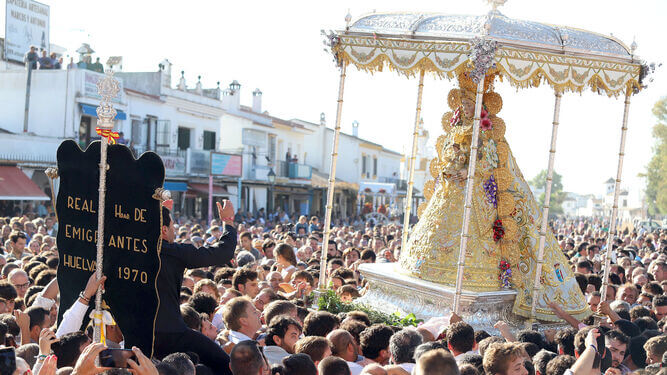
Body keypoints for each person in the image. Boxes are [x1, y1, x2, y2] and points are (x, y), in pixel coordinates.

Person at [397, 71, 588, 321]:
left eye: (469, 104)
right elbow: (448, 151)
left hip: (477, 193)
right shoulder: (457, 127)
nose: (465, 108)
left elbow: (490, 161)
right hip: (453, 190)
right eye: (463, 104)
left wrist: (468, 171)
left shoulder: (485, 131)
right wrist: (450, 168)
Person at [153, 200, 237, 375]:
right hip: (171, 332)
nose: (174, 231)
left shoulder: (128, 252)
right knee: (225, 365)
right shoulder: (172, 252)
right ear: (163, 230)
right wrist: (228, 222)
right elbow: (222, 252)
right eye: (172, 226)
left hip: (137, 335)